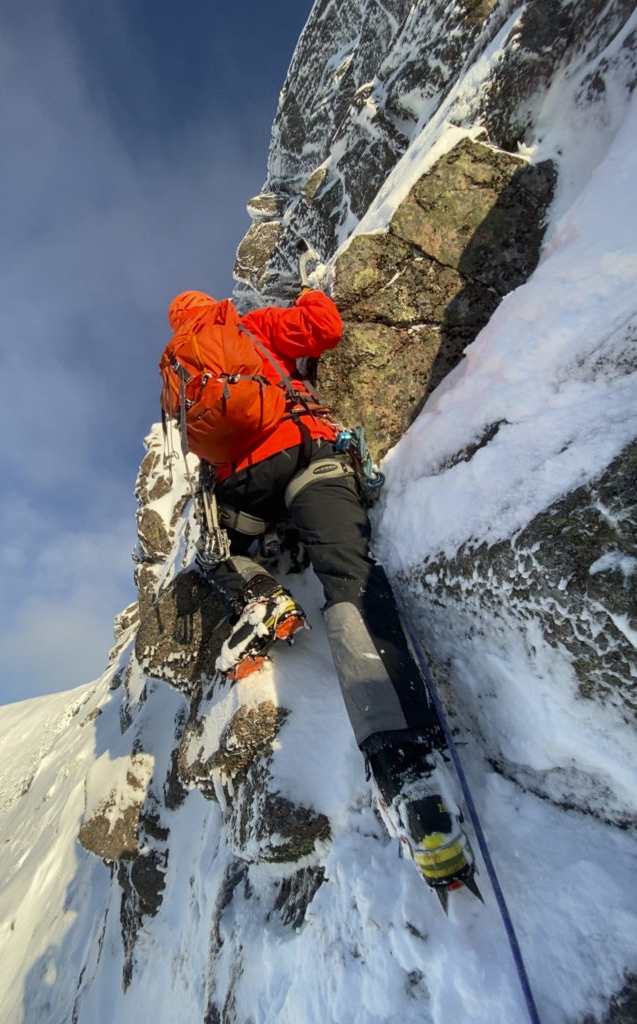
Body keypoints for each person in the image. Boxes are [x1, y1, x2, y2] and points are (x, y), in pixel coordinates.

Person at [164, 287, 475, 897]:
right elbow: (325, 328)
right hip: (309, 454)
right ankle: (405, 767)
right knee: (349, 579)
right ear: (213, 309)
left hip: (243, 487)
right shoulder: (250, 326)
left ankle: (260, 594)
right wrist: (308, 291)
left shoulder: (179, 369)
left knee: (217, 554)